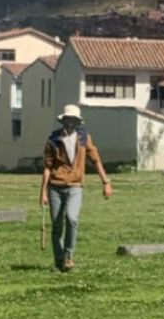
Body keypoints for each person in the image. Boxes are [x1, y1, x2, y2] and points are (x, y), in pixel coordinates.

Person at [39, 104, 112, 272]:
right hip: (55, 187)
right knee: (57, 225)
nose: (70, 123)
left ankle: (68, 255)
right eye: (68, 119)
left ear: (78, 122)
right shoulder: (53, 139)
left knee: (72, 218)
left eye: (73, 120)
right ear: (63, 120)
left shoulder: (84, 137)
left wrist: (106, 182)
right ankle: (59, 262)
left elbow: (96, 160)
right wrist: (42, 192)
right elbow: (47, 167)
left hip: (75, 186)